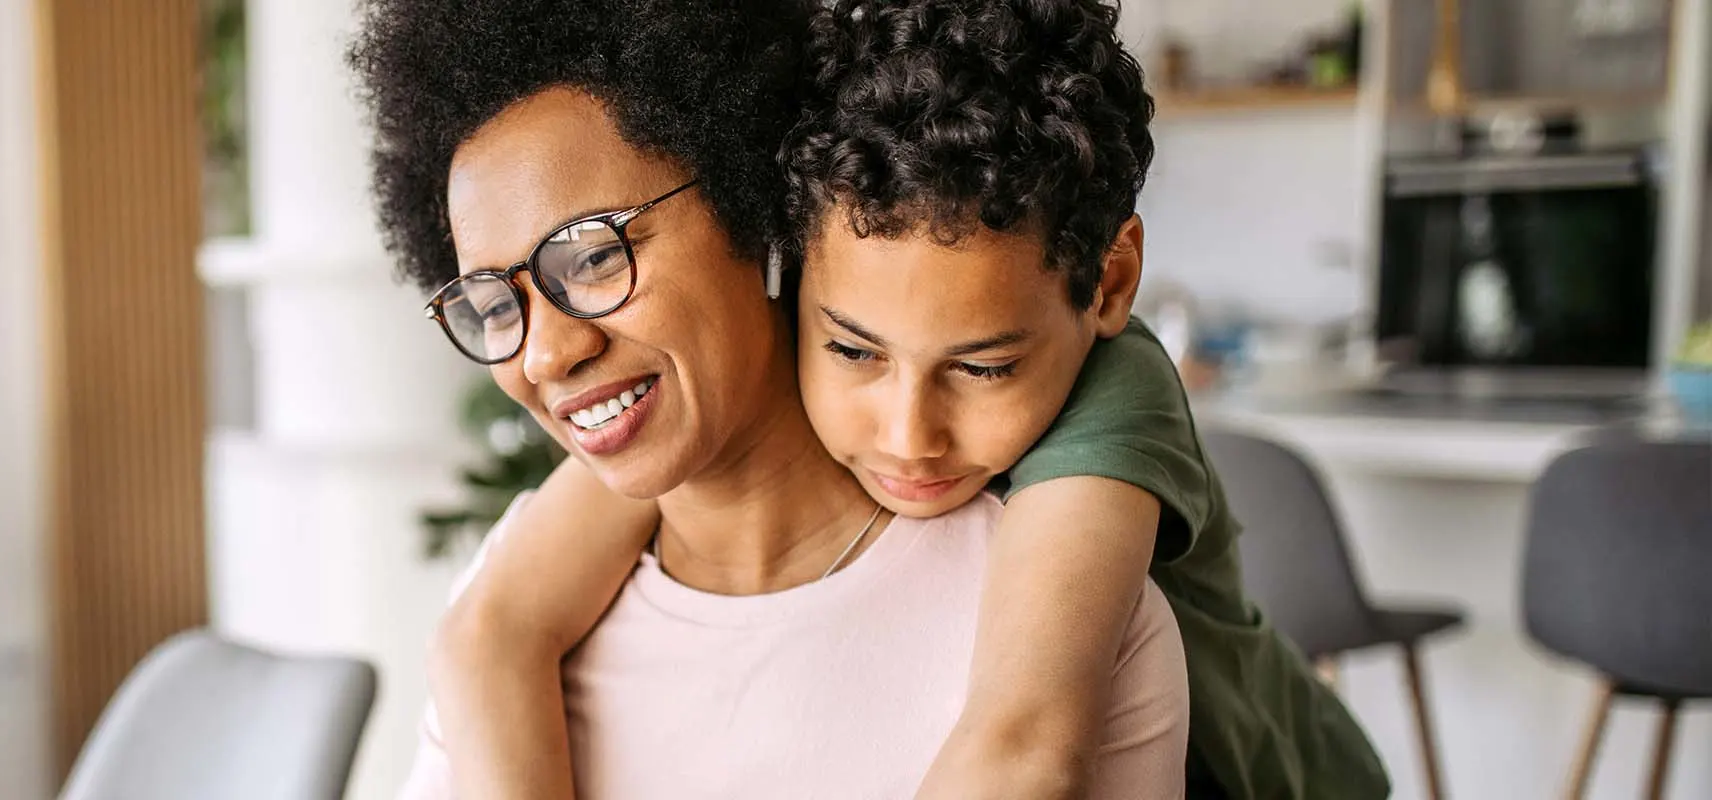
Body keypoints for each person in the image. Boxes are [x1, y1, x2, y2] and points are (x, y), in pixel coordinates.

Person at [361, 0, 1392, 797]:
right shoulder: (539, 568)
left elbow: (1024, 742)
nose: (545, 349)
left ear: (750, 206)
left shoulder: (1095, 452)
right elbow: (492, 624)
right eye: (494, 298)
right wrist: (488, 632)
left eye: (595, 253)